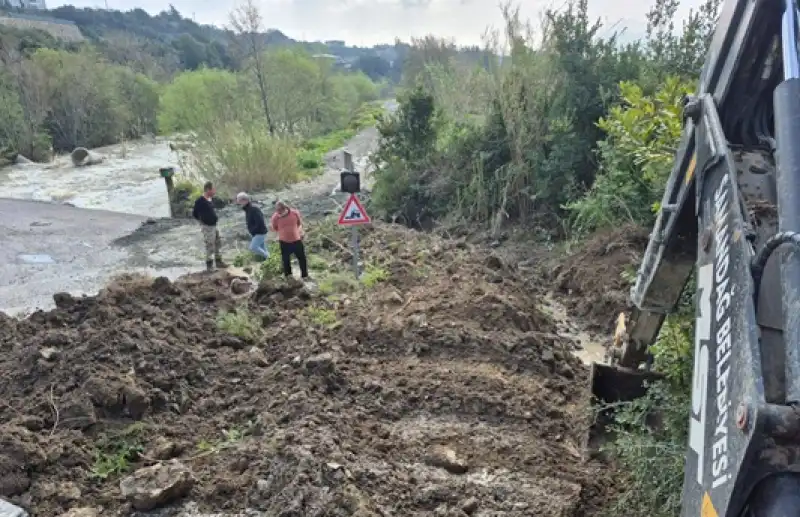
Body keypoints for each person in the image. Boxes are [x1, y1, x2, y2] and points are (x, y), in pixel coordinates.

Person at [192, 181, 228, 271]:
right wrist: (203, 222)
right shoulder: (200, 201)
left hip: (214, 225)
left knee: (217, 242)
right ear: (208, 190)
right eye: (213, 189)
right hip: (207, 226)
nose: (214, 191)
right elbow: (195, 213)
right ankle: (209, 266)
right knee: (210, 245)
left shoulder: (210, 199)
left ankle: (219, 262)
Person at [270, 200, 308, 279]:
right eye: (277, 211)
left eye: (280, 212)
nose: (279, 214)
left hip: (296, 240)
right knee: (286, 260)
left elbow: (299, 223)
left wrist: (299, 232)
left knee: (302, 258)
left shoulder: (294, 213)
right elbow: (275, 228)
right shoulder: (275, 217)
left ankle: (305, 276)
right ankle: (289, 277)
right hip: (284, 241)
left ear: (285, 209)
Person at [236, 192, 269, 261]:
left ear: (245, 200)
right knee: (263, 249)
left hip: (260, 232)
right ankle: (269, 261)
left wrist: (253, 231)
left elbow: (260, 222)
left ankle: (269, 259)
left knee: (253, 247)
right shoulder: (248, 209)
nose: (239, 203)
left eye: (239, 201)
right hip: (256, 233)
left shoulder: (253, 209)